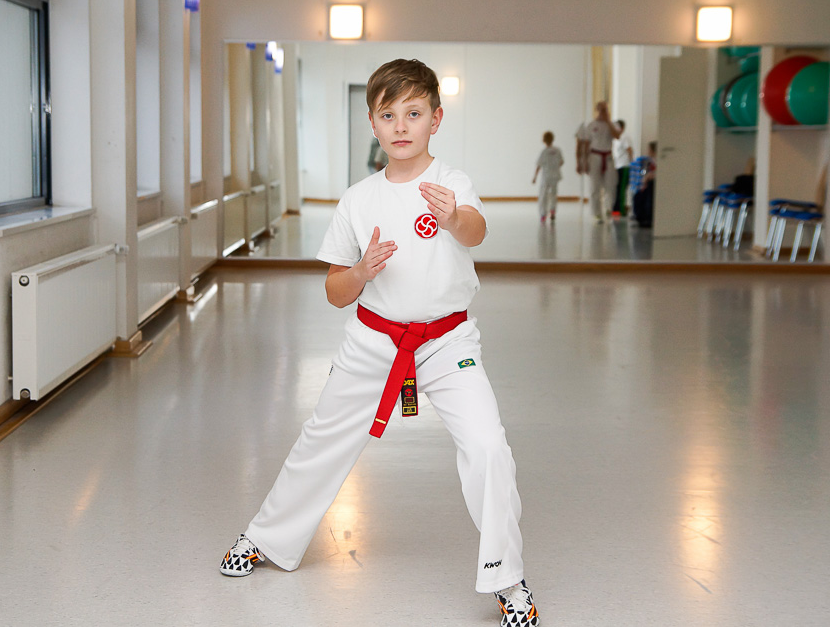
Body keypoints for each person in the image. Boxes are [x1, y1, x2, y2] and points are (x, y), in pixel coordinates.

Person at [219, 59, 539, 627]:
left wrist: (453, 217)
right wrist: (362, 271)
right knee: (323, 437)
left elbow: (476, 232)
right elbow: (334, 292)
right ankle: (266, 538)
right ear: (372, 123)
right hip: (373, 340)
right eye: (388, 115)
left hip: (446, 341)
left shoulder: (452, 184)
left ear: (435, 118)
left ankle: (506, 577)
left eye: (413, 113)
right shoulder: (357, 199)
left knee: (488, 445)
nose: (401, 126)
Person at [575, 101, 622, 223]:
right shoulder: (590, 125)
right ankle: (596, 214)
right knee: (594, 186)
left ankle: (609, 209)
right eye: (601, 110)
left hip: (608, 156)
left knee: (611, 185)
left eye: (605, 109)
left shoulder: (613, 124)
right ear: (596, 110)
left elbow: (617, 136)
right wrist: (583, 162)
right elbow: (585, 145)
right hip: (594, 156)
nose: (603, 112)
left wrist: (608, 121)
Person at [532, 131, 563, 223]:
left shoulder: (544, 152)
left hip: (546, 176)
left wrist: (535, 177)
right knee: (553, 194)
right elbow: (561, 162)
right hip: (555, 175)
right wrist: (555, 167)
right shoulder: (557, 150)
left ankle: (543, 214)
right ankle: (552, 211)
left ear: (544, 140)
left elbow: (539, 165)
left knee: (543, 195)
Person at [632, 141, 657, 228]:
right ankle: (639, 217)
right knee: (637, 196)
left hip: (652, 183)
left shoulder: (657, 161)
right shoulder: (649, 161)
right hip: (647, 182)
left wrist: (648, 177)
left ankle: (647, 218)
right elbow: (645, 173)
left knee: (646, 196)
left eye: (649, 150)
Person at [611, 120, 633, 215]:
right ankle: (616, 209)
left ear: (622, 128)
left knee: (622, 189)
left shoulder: (625, 137)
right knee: (617, 188)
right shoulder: (616, 139)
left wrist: (631, 163)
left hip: (624, 166)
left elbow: (629, 150)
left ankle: (620, 210)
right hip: (617, 166)